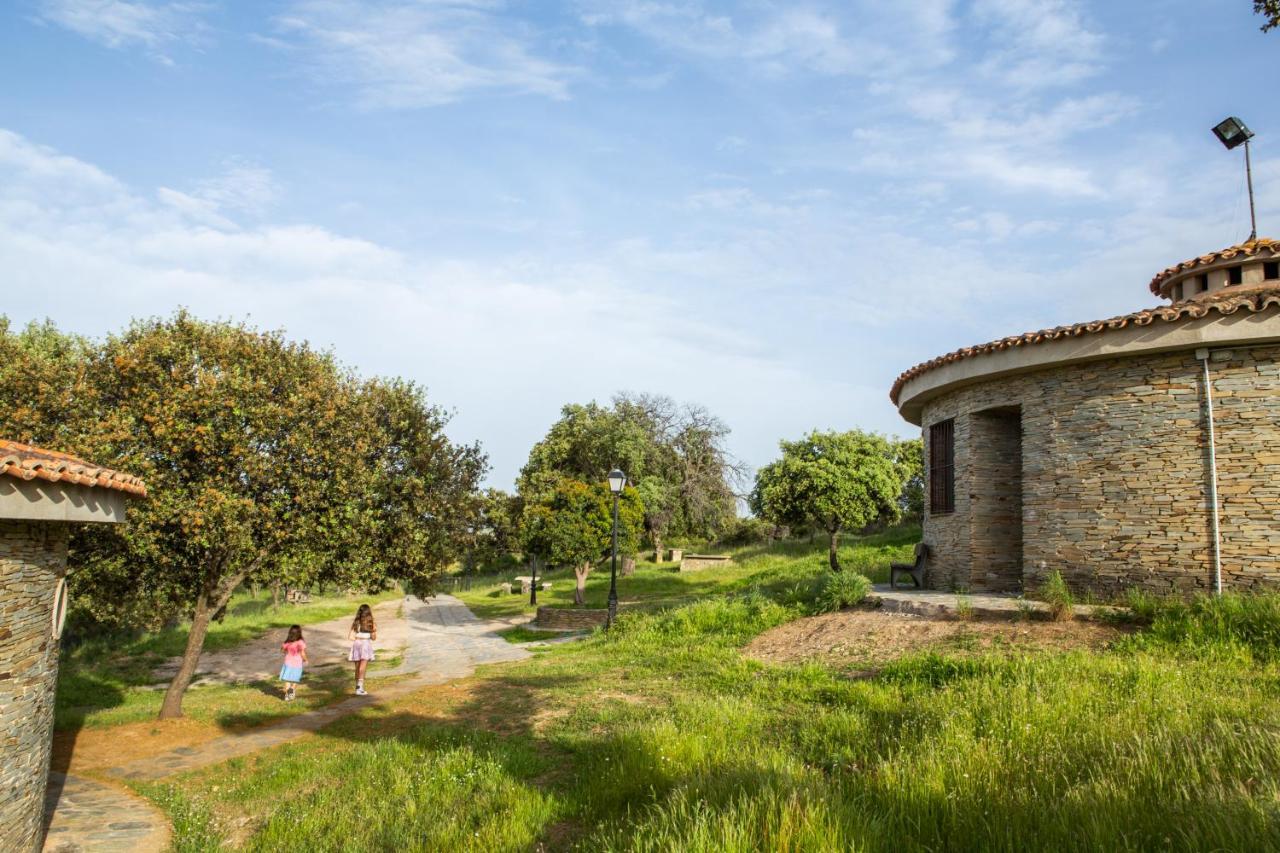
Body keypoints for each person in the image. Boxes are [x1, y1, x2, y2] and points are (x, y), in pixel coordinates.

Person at [348, 603, 376, 696]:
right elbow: (373, 638)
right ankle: (360, 688)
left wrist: (358, 637)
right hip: (365, 644)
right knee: (362, 667)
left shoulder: (356, 623)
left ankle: (357, 687)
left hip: (357, 644)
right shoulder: (371, 623)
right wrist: (373, 632)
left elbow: (351, 637)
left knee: (357, 667)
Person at [279, 624, 308, 702]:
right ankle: (292, 689)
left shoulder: (287, 642)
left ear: (290, 633)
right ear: (299, 633)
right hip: (297, 664)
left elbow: (282, 650)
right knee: (295, 679)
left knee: (287, 679)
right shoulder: (300, 642)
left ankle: (287, 695)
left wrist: (286, 651)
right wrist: (305, 660)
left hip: (287, 663)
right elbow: (302, 653)